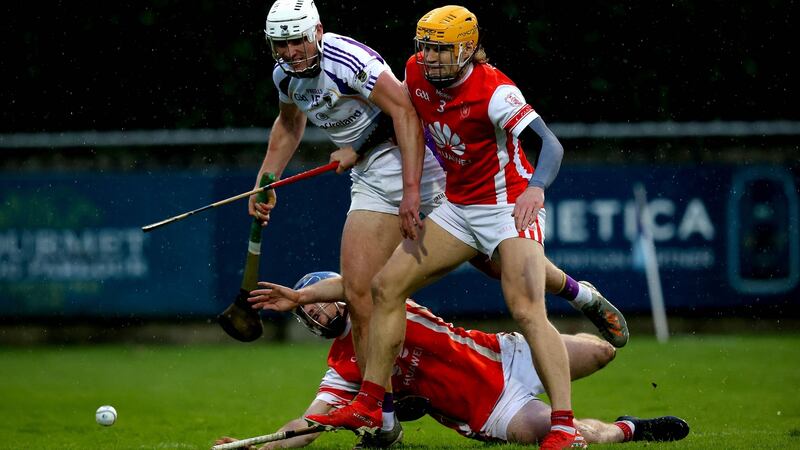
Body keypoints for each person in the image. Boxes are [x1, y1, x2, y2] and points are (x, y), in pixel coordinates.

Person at [249, 0, 626, 391]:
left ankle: (577, 295)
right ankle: (379, 409)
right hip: (383, 181)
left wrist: (398, 180)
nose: (291, 52)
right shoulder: (296, 76)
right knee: (367, 290)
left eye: (298, 41)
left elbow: (405, 114)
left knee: (506, 274)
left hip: (431, 174)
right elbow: (291, 124)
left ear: (318, 32)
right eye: (281, 44)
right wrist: (267, 180)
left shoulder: (352, 62)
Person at [305, 6, 595, 449]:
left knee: (525, 310)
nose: (430, 57)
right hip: (458, 208)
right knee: (384, 288)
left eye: (441, 49)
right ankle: (370, 402)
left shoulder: (496, 91)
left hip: (505, 207)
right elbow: (396, 116)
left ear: (467, 49)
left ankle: (563, 424)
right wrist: (362, 152)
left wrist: (536, 190)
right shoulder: (415, 73)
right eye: (425, 46)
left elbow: (550, 146)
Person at [214, 272, 688, 449]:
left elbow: (355, 283)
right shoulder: (342, 367)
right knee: (567, 434)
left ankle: (582, 293)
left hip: (502, 353)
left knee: (603, 350)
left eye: (317, 300)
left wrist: (297, 293)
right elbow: (312, 422)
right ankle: (628, 429)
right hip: (489, 409)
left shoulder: (381, 299)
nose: (316, 310)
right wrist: (259, 447)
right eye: (308, 313)